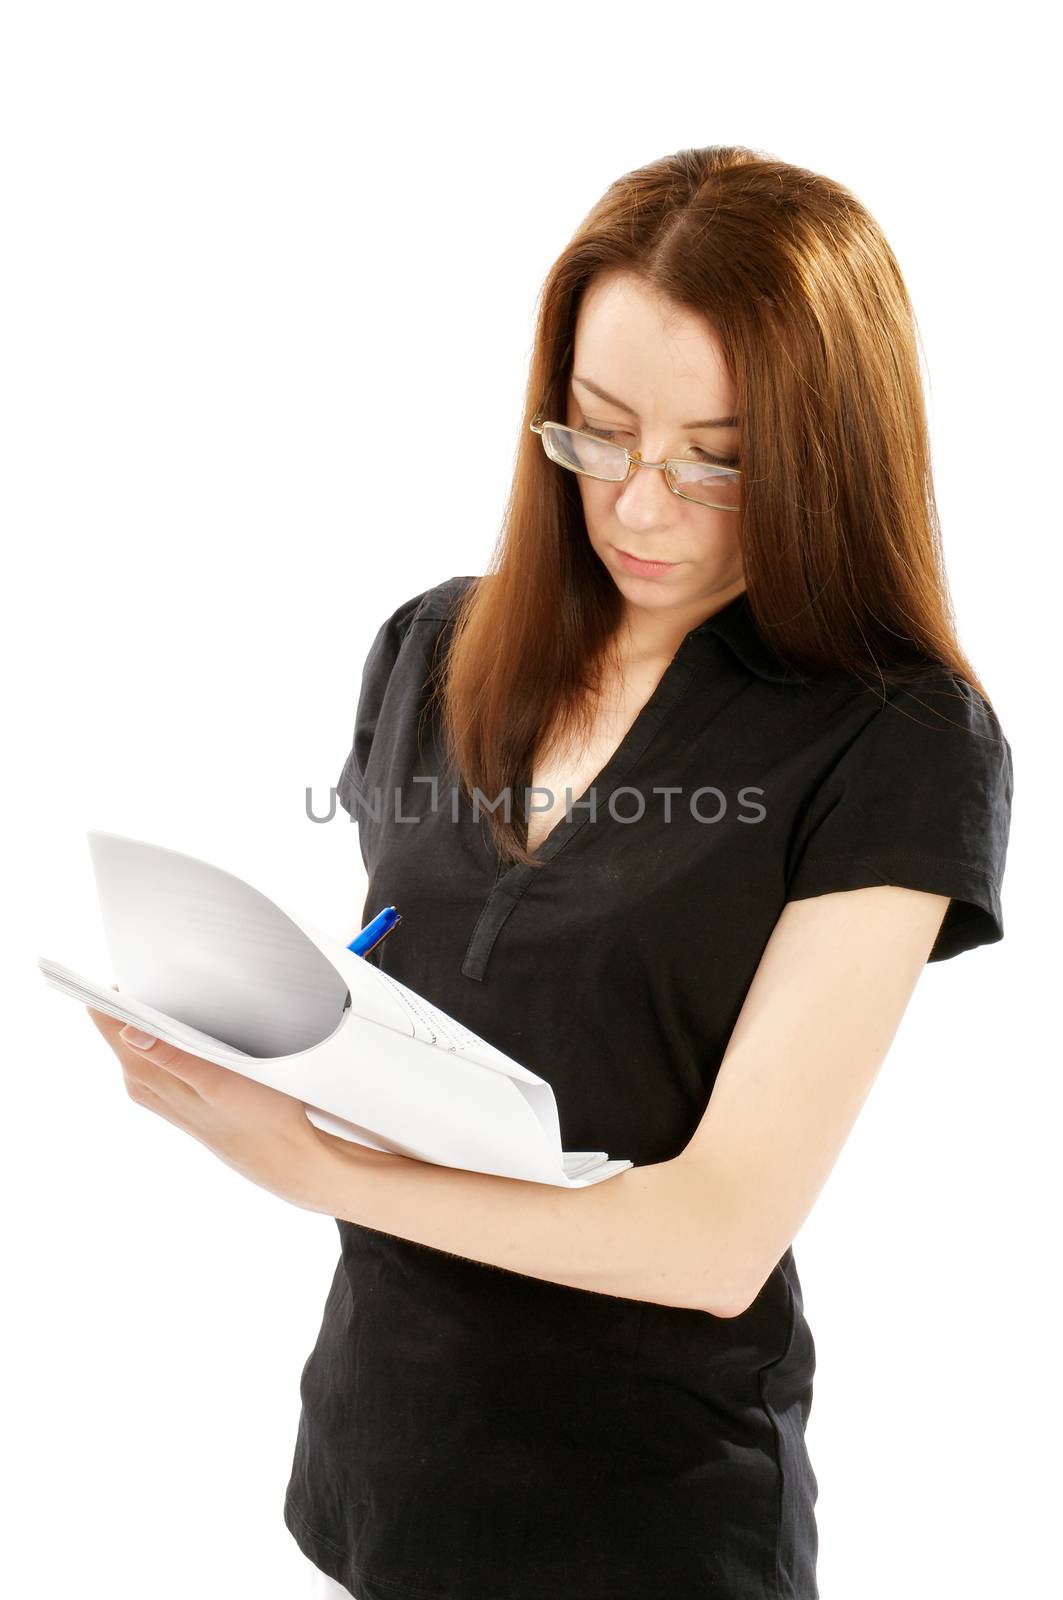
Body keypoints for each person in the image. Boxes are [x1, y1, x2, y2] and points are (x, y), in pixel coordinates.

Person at [93, 144, 1014, 1600]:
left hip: (645, 1528)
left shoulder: (895, 741)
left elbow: (718, 1236)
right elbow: (400, 1016)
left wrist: (307, 1166)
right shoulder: (433, 649)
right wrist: (259, 1047)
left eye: (716, 459)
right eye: (598, 434)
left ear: (827, 453)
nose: (641, 509)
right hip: (379, 1480)